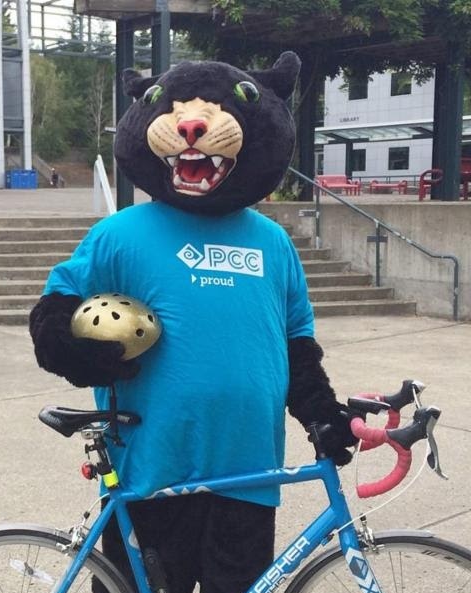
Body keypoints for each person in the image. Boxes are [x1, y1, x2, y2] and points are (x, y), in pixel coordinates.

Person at [28, 53, 359, 593]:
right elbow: (58, 302)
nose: (193, 129)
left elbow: (296, 345)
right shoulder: (120, 234)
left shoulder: (274, 244)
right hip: (152, 466)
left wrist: (321, 414)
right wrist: (70, 346)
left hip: (250, 471)